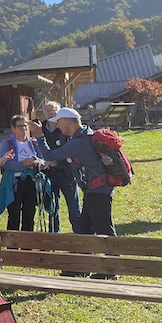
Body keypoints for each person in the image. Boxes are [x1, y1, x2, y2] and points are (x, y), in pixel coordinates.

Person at [27, 108, 118, 279]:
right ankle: (80, 267)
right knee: (84, 229)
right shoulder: (85, 135)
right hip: (94, 191)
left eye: (59, 122)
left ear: (68, 122)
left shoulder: (78, 142)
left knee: (104, 229)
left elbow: (49, 154)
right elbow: (74, 161)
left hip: (98, 191)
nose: (57, 125)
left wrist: (39, 135)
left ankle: (111, 269)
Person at [0, 115, 44, 232]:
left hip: (31, 181)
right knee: (14, 214)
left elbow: (42, 159)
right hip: (15, 183)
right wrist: (23, 164)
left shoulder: (33, 142)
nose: (23, 129)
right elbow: (6, 164)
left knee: (29, 214)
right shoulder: (7, 143)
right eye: (19, 126)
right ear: (13, 128)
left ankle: (27, 246)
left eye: (25, 126)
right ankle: (12, 246)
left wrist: (36, 162)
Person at [41, 102, 82, 233]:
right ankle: (54, 235)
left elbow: (71, 152)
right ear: (44, 113)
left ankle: (79, 234)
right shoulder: (39, 128)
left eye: (54, 110)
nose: (51, 113)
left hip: (67, 172)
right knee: (52, 206)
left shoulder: (66, 129)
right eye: (48, 110)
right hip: (48, 173)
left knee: (73, 206)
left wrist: (58, 163)